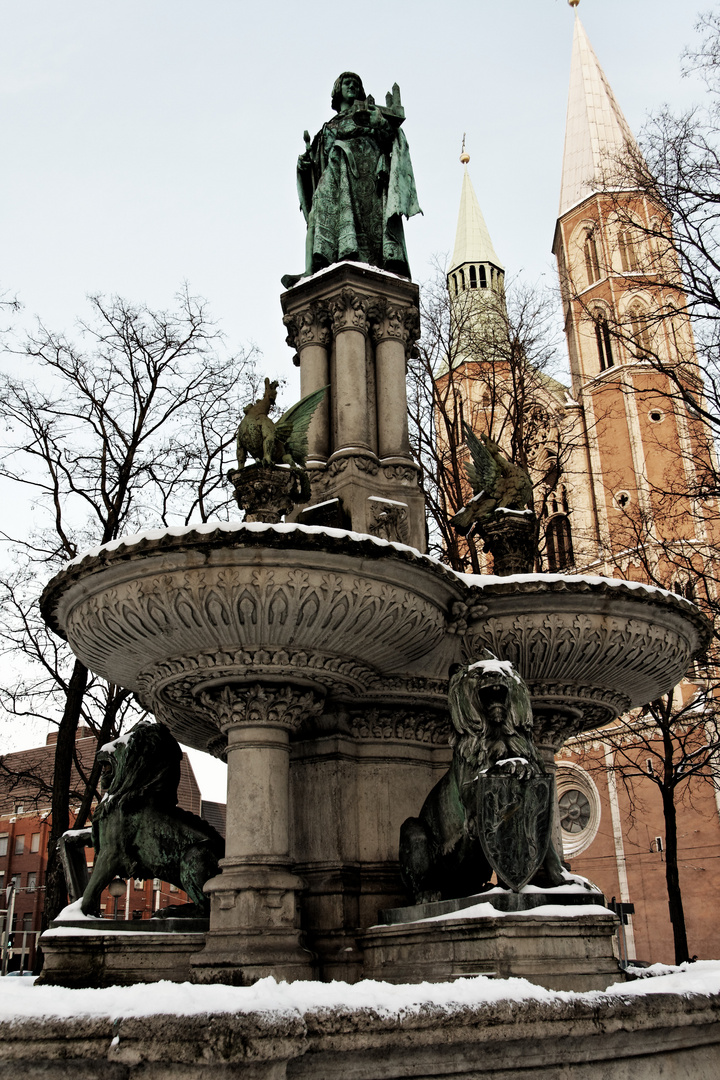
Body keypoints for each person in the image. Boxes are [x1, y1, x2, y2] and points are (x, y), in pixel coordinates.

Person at [282, 72, 421, 288]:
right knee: (316, 212)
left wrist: (381, 124)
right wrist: (304, 165)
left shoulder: (368, 114)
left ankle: (376, 262)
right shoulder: (329, 127)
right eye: (347, 83)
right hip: (336, 174)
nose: (352, 86)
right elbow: (318, 162)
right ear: (338, 90)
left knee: (370, 229)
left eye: (356, 83)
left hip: (366, 177)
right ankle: (312, 269)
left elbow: (390, 139)